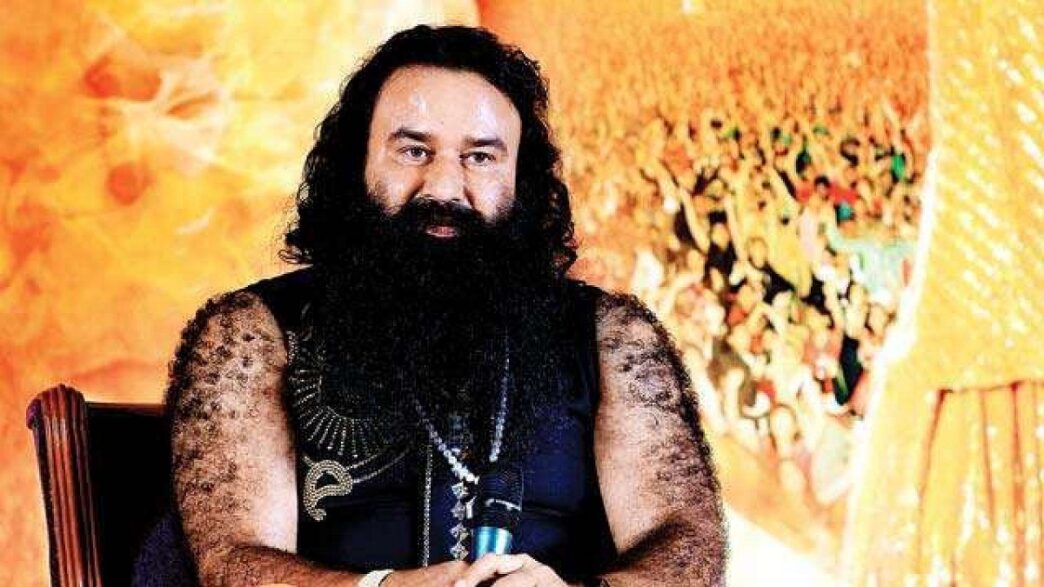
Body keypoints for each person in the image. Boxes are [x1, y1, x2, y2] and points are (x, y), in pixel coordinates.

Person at [138, 25, 726, 587]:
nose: (444, 188)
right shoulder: (250, 334)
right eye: (414, 151)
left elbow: (690, 552)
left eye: (480, 157)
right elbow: (234, 566)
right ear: (355, 166)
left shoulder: (613, 338)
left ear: (521, 180)